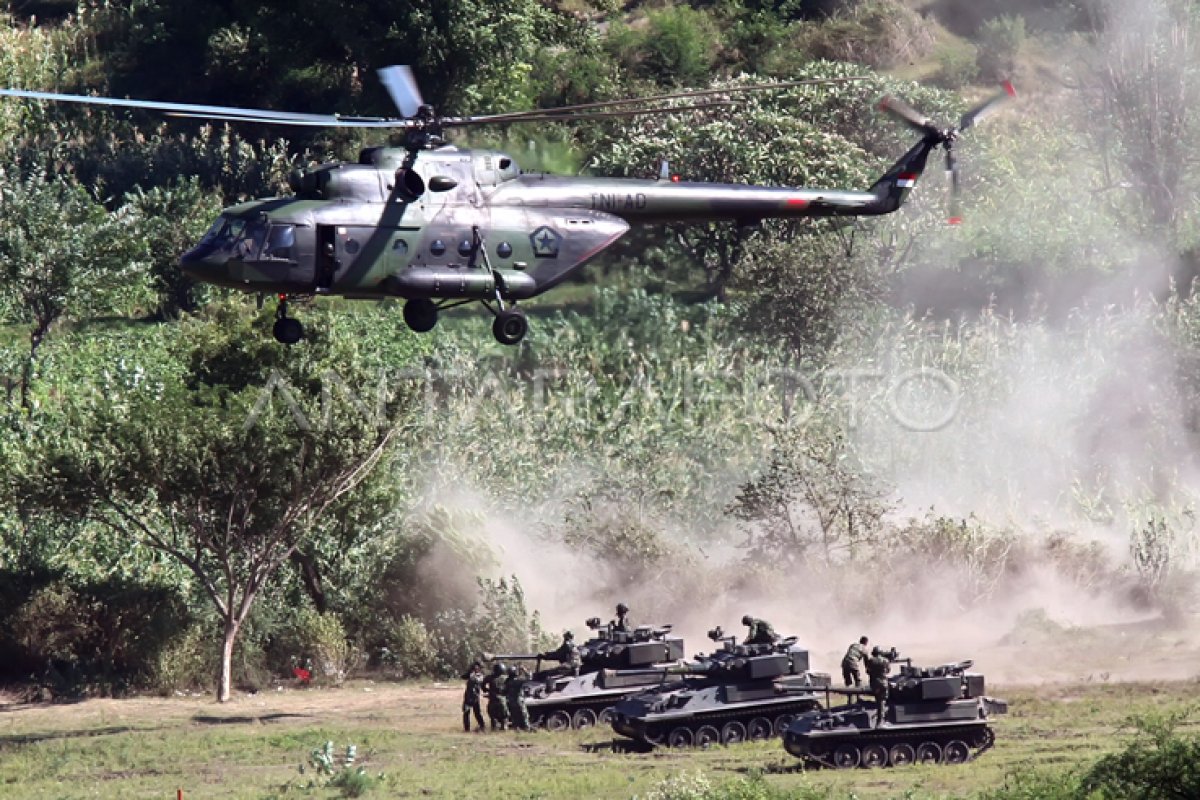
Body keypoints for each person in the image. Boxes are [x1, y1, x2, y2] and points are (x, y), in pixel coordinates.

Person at [864, 646, 891, 728]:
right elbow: (888, 670)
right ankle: (880, 722)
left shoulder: (871, 660)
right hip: (883, 683)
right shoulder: (885, 660)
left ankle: (879, 720)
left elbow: (868, 671)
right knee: (882, 702)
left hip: (874, 683)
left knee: (878, 701)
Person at [505, 664, 532, 731]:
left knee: (514, 716)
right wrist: (524, 669)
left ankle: (517, 729)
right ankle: (527, 728)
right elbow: (529, 677)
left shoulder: (507, 682)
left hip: (511, 701)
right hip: (519, 700)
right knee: (524, 715)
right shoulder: (517, 681)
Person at [461, 661, 485, 732]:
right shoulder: (471, 674)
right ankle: (467, 729)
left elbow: (478, 681)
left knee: (477, 713)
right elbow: (463, 676)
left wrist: (472, 674)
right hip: (468, 696)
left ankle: (482, 726)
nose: (476, 668)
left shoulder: (480, 676)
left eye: (477, 667)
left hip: (475, 697)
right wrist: (469, 672)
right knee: (466, 713)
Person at [485, 662, 510, 731]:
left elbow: (482, 685)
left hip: (493, 699)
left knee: (493, 715)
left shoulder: (489, 677)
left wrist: (487, 690)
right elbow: (510, 686)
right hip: (502, 699)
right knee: (504, 715)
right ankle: (504, 727)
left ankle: (494, 727)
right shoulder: (505, 678)